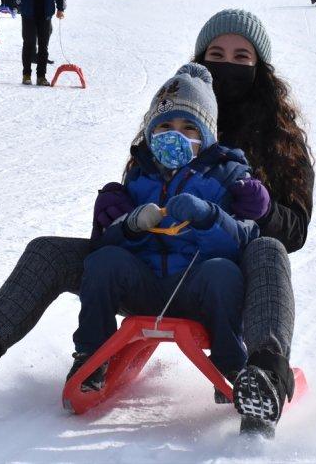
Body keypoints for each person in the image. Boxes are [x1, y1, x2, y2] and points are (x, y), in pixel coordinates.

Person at [0, 8, 314, 437]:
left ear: (261, 68)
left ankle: (263, 375)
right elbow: (138, 201)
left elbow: (295, 230)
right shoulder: (168, 117)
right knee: (48, 251)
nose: (227, 64)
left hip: (224, 275)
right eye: (216, 53)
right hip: (147, 267)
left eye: (241, 57)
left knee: (270, 248)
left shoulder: (279, 139)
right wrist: (113, 213)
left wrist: (261, 210)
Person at [69, 63, 257, 395]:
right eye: (165, 125)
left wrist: (208, 216)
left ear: (206, 135)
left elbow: (242, 241)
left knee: (223, 272)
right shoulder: (139, 174)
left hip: (197, 288)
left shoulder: (225, 175)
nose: (176, 135)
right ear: (151, 133)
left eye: (189, 128)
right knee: (104, 261)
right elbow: (104, 244)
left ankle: (232, 368)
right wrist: (130, 226)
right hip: (146, 287)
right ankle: (92, 356)